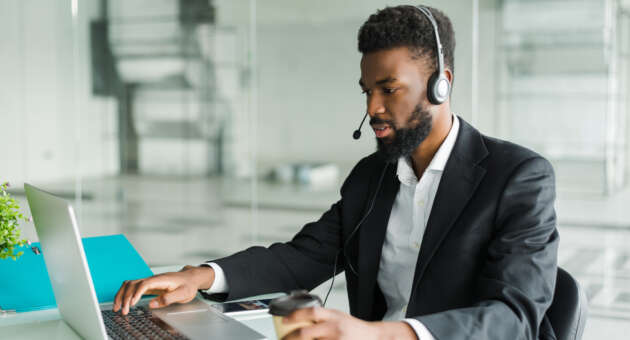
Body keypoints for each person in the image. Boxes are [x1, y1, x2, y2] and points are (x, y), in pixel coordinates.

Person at [114, 5, 559, 340]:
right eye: (367, 91)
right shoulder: (372, 175)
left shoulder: (517, 177)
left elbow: (512, 318)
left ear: (441, 83)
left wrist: (375, 333)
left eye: (389, 89)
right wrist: (202, 276)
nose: (372, 109)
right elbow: (303, 257)